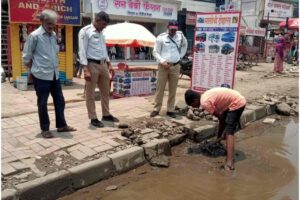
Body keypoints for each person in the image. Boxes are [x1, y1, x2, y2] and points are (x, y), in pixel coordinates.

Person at [22, 9, 76, 138]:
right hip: (40, 75)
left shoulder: (53, 36)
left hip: (54, 74)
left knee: (60, 101)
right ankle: (45, 129)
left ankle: (62, 126)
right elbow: (26, 57)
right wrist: (32, 72)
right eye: (49, 23)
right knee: (42, 103)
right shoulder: (34, 36)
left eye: (53, 24)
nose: (51, 26)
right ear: (42, 21)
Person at [185, 88, 246, 170]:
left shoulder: (204, 103)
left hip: (236, 103)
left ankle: (229, 163)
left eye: (193, 104)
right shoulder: (205, 95)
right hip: (234, 101)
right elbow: (222, 119)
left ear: (195, 99)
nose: (193, 107)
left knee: (229, 132)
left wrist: (225, 132)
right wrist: (219, 137)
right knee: (227, 127)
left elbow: (220, 117)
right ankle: (222, 141)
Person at [78, 11, 119, 128]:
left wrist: (109, 64)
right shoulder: (85, 31)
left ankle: (106, 114)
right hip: (91, 65)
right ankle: (93, 118)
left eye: (106, 25)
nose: (105, 27)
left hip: (103, 65)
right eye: (103, 24)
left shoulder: (101, 32)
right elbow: (82, 51)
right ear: (97, 20)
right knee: (90, 93)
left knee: (106, 91)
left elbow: (103, 50)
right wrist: (85, 69)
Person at [150, 20, 188, 118]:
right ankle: (156, 109)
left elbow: (185, 46)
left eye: (175, 30)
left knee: (173, 89)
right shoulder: (161, 37)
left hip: (175, 66)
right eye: (171, 29)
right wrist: (162, 61)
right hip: (163, 66)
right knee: (160, 88)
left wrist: (180, 56)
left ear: (177, 29)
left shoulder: (181, 36)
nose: (173, 32)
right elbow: (155, 52)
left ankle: (170, 109)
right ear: (168, 27)